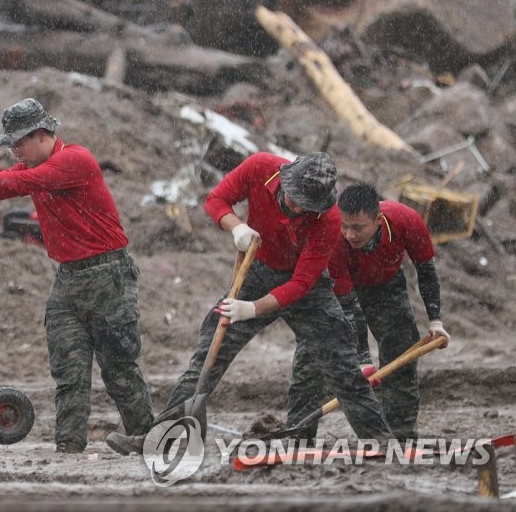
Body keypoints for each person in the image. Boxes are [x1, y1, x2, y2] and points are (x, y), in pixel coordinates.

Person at [105, 151, 394, 456]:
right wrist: (236, 227)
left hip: (307, 289)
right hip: (256, 271)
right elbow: (216, 200)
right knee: (207, 358)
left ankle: (379, 439)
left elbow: (301, 284)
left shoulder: (329, 217)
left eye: (306, 206)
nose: (296, 209)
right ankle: (159, 437)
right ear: (285, 180)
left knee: (342, 365)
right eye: (294, 199)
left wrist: (252, 309)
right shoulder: (260, 168)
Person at [0, 98, 154, 454]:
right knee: (68, 366)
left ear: (40, 134)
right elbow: (4, 180)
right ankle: (69, 443)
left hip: (107, 272)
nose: (15, 151)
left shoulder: (73, 160)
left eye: (19, 142)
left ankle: (146, 434)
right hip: (68, 276)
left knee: (118, 365)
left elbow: (12, 185)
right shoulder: (31, 165)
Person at [287, 183, 451, 441]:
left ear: (378, 220)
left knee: (401, 352)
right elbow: (350, 306)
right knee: (313, 355)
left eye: (358, 227)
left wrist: (435, 320)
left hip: (385, 285)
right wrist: (362, 359)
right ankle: (297, 435)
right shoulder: (333, 239)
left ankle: (401, 435)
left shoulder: (406, 220)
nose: (350, 234)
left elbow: (426, 271)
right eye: (345, 226)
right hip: (333, 291)